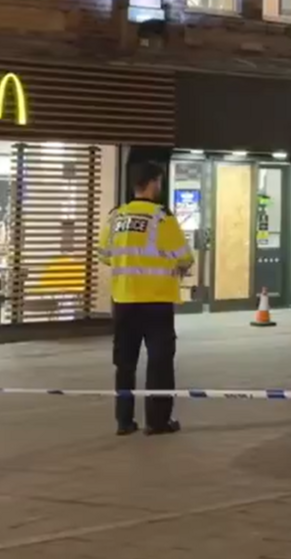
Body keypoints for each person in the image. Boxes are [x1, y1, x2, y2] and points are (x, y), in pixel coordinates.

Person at [100, 161, 194, 436]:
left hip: (124, 301)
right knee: (159, 363)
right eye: (159, 182)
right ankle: (157, 421)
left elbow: (104, 255)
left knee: (125, 364)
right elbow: (185, 257)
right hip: (156, 302)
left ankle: (124, 421)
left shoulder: (115, 216)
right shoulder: (162, 218)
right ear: (154, 182)